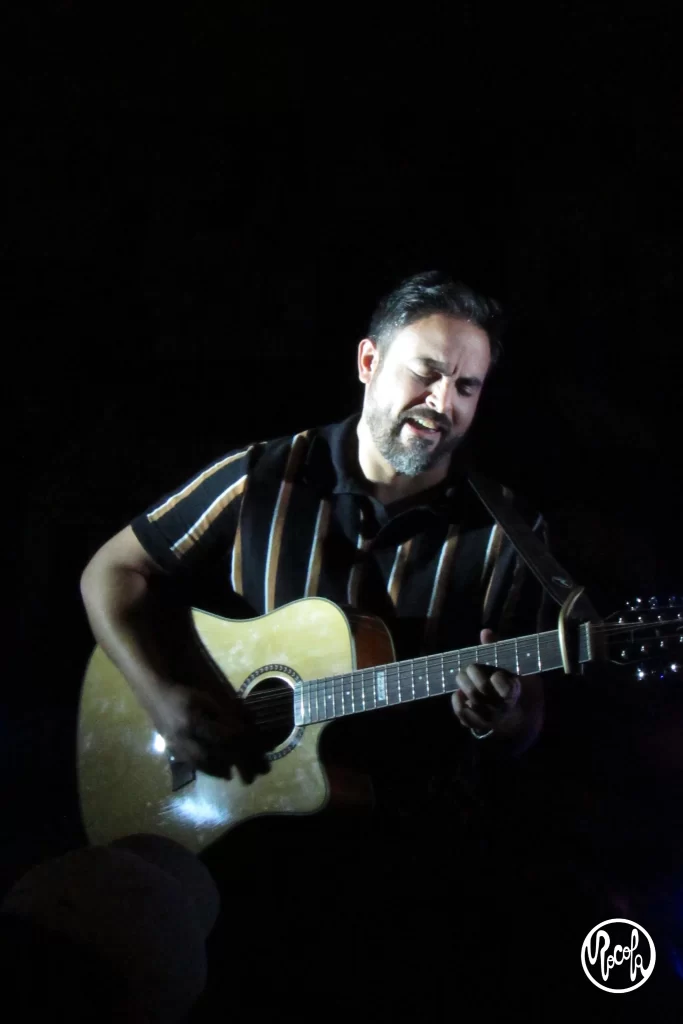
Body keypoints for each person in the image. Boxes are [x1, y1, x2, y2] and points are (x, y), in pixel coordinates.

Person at [80, 271, 578, 1013]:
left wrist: (499, 715)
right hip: (232, 840)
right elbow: (112, 570)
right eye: (429, 373)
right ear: (368, 362)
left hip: (403, 865)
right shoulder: (265, 475)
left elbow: (525, 720)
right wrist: (164, 696)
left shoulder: (510, 535)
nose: (443, 405)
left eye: (467, 388)